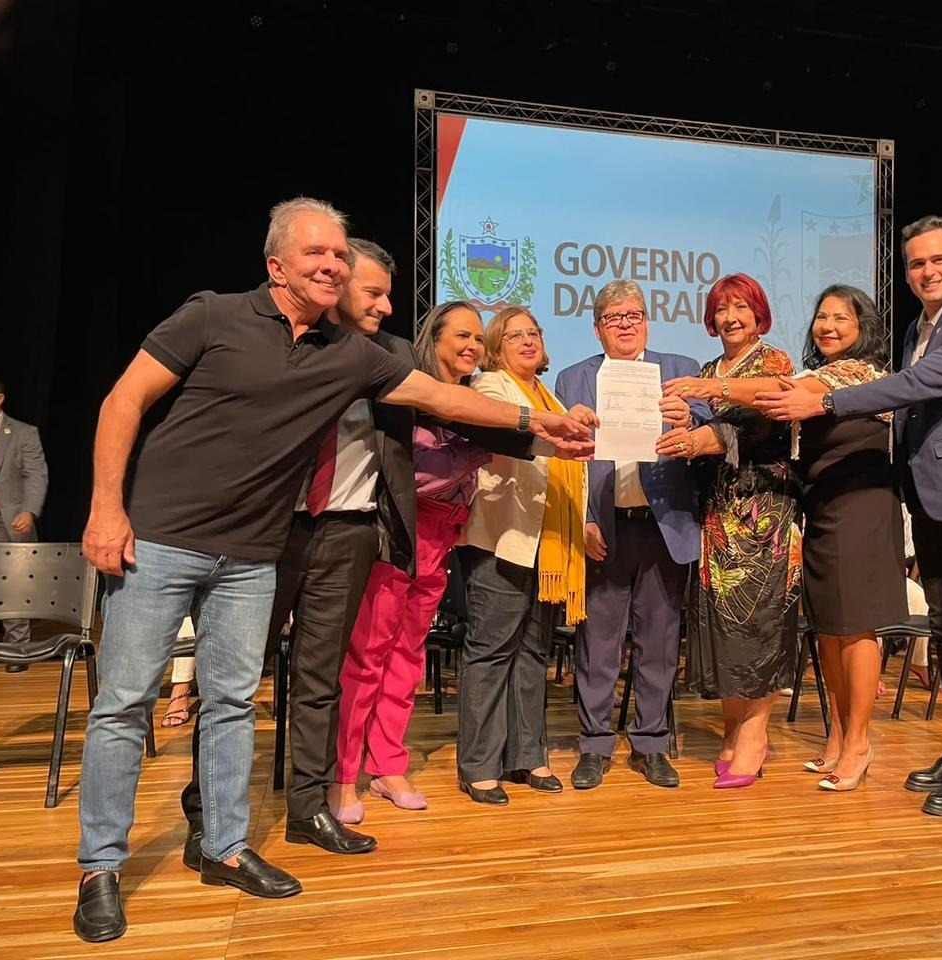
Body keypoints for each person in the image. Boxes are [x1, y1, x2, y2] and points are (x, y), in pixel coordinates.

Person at [72, 199, 591, 943]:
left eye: (341, 255)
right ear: (276, 263)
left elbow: (439, 395)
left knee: (228, 705)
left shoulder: (346, 352)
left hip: (253, 553)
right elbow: (123, 400)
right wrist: (105, 509)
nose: (334, 265)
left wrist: (535, 423)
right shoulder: (210, 316)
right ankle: (101, 868)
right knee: (123, 705)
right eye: (317, 253)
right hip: (164, 537)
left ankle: (223, 845)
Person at [756, 215, 942, 817]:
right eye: (915, 264)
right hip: (932, 497)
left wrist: (826, 400)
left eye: (937, 260)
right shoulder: (917, 327)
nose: (926, 271)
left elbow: (921, 384)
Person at [333, 296, 540, 819]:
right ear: (435, 339)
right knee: (369, 654)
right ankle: (343, 777)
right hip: (399, 532)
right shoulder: (410, 389)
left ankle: (388, 765)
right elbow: (415, 471)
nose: (473, 346)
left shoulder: (473, 397)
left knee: (408, 654)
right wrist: (474, 454)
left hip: (442, 537)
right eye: (462, 336)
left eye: (477, 338)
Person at [554, 280, 709, 790]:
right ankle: (594, 746)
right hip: (604, 526)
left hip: (664, 526)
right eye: (613, 316)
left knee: (661, 643)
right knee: (598, 642)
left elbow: (708, 429)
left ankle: (652, 744)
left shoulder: (681, 369)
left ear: (647, 321)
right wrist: (580, 521)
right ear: (597, 327)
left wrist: (689, 420)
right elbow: (564, 459)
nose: (625, 323)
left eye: (633, 314)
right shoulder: (573, 378)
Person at [656, 273, 802, 789]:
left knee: (759, 623)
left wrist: (707, 406)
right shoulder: (709, 367)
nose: (730, 317)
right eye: (722, 309)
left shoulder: (774, 361)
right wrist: (678, 423)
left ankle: (756, 733)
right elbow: (700, 431)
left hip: (765, 513)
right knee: (721, 625)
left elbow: (767, 409)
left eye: (741, 306)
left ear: (758, 313)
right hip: (718, 514)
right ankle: (734, 724)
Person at [457, 307, 593, 805]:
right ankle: (479, 765)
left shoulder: (549, 393)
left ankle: (527, 754)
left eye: (532, 332)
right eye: (514, 335)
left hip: (548, 546)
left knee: (534, 650)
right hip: (503, 536)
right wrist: (560, 428)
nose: (527, 341)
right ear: (496, 347)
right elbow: (522, 436)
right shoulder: (490, 386)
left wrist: (572, 420)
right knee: (492, 649)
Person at [0, 371, 49, 670]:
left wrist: (29, 510)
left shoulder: (22, 433)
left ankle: (17, 652)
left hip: (3, 520)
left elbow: (36, 474)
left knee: (13, 585)